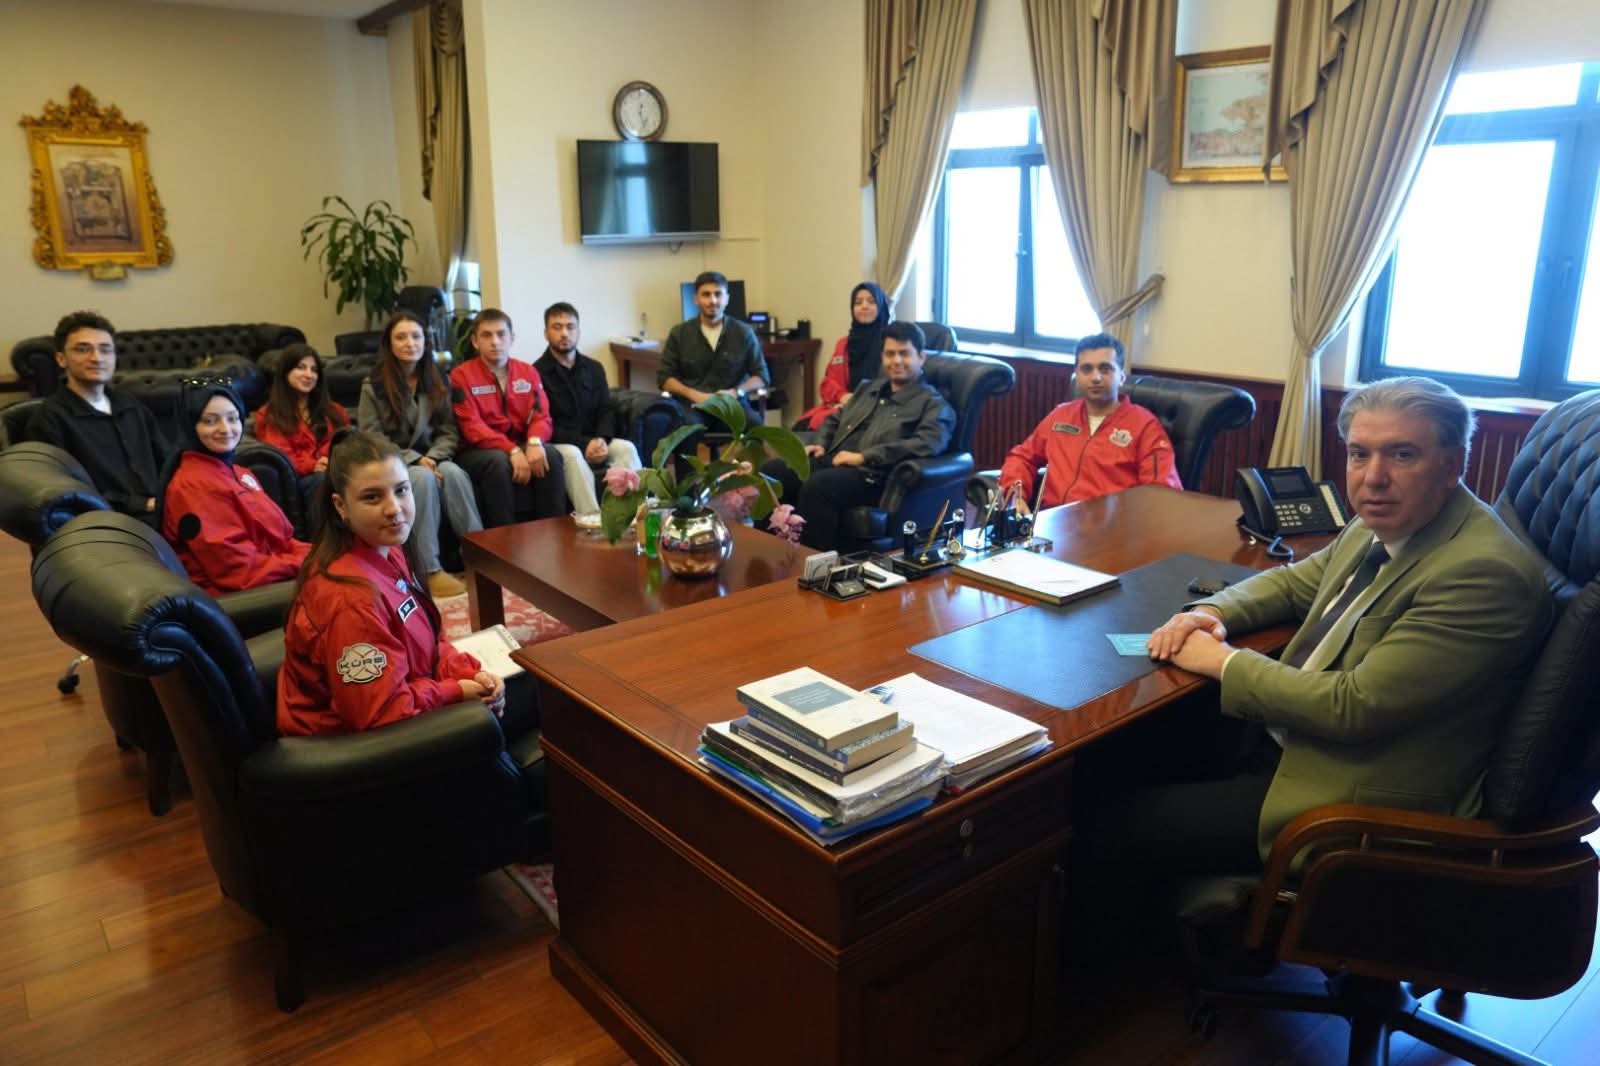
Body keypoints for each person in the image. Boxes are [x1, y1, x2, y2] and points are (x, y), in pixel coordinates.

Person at [1070, 376, 1554, 961]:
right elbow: (1294, 582)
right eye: (1359, 453)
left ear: (1452, 464)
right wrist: (1210, 612)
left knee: (1110, 818)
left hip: (1349, 791)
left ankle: (1085, 978)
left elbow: (1351, 707)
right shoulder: (1387, 519)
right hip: (1291, 740)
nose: (1373, 477)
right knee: (1101, 757)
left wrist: (1224, 661)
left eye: (1403, 454)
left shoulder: (1481, 574)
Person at [277, 430, 505, 737]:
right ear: (341, 506)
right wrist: (454, 691)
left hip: (407, 696)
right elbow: (380, 711)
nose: (394, 508)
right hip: (351, 745)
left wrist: (468, 672)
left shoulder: (387, 549)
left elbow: (426, 644)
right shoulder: (350, 600)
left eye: (401, 490)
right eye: (372, 497)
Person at [761, 321, 955, 551]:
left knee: (818, 487)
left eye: (904, 353)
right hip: (834, 460)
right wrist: (820, 443)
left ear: (921, 357)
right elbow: (835, 418)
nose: (896, 361)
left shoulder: (933, 404)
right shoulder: (868, 389)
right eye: (890, 354)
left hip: (873, 475)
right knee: (771, 472)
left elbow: (927, 444)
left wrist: (865, 457)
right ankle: (766, 553)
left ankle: (815, 565)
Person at [358, 311, 482, 598]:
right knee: (421, 478)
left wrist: (435, 458)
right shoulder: (373, 385)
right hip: (392, 462)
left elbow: (449, 430)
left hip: (435, 458)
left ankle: (481, 558)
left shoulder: (438, 380)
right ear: (389, 344)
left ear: (426, 341)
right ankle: (429, 570)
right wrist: (415, 459)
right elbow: (372, 436)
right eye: (401, 337)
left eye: (416, 336)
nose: (410, 343)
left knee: (455, 474)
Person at [998, 333, 1181, 512]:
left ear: (1122, 377)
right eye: (1087, 369)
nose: (1095, 377)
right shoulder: (1060, 416)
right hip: (1050, 522)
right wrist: (1016, 496)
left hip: (1110, 527)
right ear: (1077, 376)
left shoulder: (1145, 426)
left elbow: (1160, 492)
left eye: (1105, 369)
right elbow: (1022, 457)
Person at [159, 383, 309, 595]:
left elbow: (282, 541)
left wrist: (317, 554)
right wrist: (306, 562)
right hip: (241, 598)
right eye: (210, 421)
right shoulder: (193, 486)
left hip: (273, 574)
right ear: (190, 425)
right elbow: (238, 570)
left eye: (232, 418)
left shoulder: (239, 472)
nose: (225, 429)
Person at [25, 310, 165, 525]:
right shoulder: (49, 419)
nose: (97, 358)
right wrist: (142, 504)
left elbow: (167, 461)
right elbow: (64, 491)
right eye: (83, 349)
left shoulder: (132, 406)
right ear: (61, 359)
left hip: (162, 513)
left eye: (105, 350)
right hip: (105, 526)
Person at [450, 309, 568, 527]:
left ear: (511, 338)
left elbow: (542, 416)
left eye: (501, 334)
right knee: (498, 461)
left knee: (550, 454)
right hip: (477, 451)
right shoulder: (461, 376)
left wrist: (534, 442)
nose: (495, 341)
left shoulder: (528, 372)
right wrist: (512, 450)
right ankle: (504, 537)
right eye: (487, 335)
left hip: (520, 443)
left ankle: (554, 531)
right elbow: (472, 426)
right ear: (475, 341)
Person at [533, 301, 642, 515]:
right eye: (557, 327)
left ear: (578, 331)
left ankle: (633, 514)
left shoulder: (594, 368)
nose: (565, 333)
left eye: (570, 327)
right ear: (546, 333)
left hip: (596, 440)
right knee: (574, 455)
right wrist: (585, 444)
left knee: (626, 448)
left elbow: (606, 409)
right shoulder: (536, 373)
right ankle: (592, 519)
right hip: (561, 444)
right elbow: (546, 422)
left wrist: (601, 439)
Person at [659, 270, 769, 427]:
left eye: (718, 294)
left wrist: (736, 392)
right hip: (692, 405)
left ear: (727, 299)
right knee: (687, 428)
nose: (713, 300)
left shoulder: (743, 332)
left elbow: (762, 376)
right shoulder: (679, 333)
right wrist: (694, 394)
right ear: (696, 299)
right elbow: (665, 378)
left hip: (732, 404)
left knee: (755, 425)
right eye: (706, 295)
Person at [252, 341, 350, 509]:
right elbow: (280, 456)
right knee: (322, 481)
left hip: (336, 472)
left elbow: (347, 443)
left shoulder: (335, 411)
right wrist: (313, 465)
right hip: (302, 480)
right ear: (285, 372)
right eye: (301, 367)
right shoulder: (270, 414)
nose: (308, 375)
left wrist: (332, 461)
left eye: (314, 370)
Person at [795, 281, 890, 431]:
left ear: (881, 307)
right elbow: (828, 382)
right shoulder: (844, 344)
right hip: (843, 405)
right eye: (858, 302)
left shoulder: (890, 343)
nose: (864, 306)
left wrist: (858, 401)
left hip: (875, 410)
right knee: (801, 426)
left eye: (871, 301)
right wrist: (842, 396)